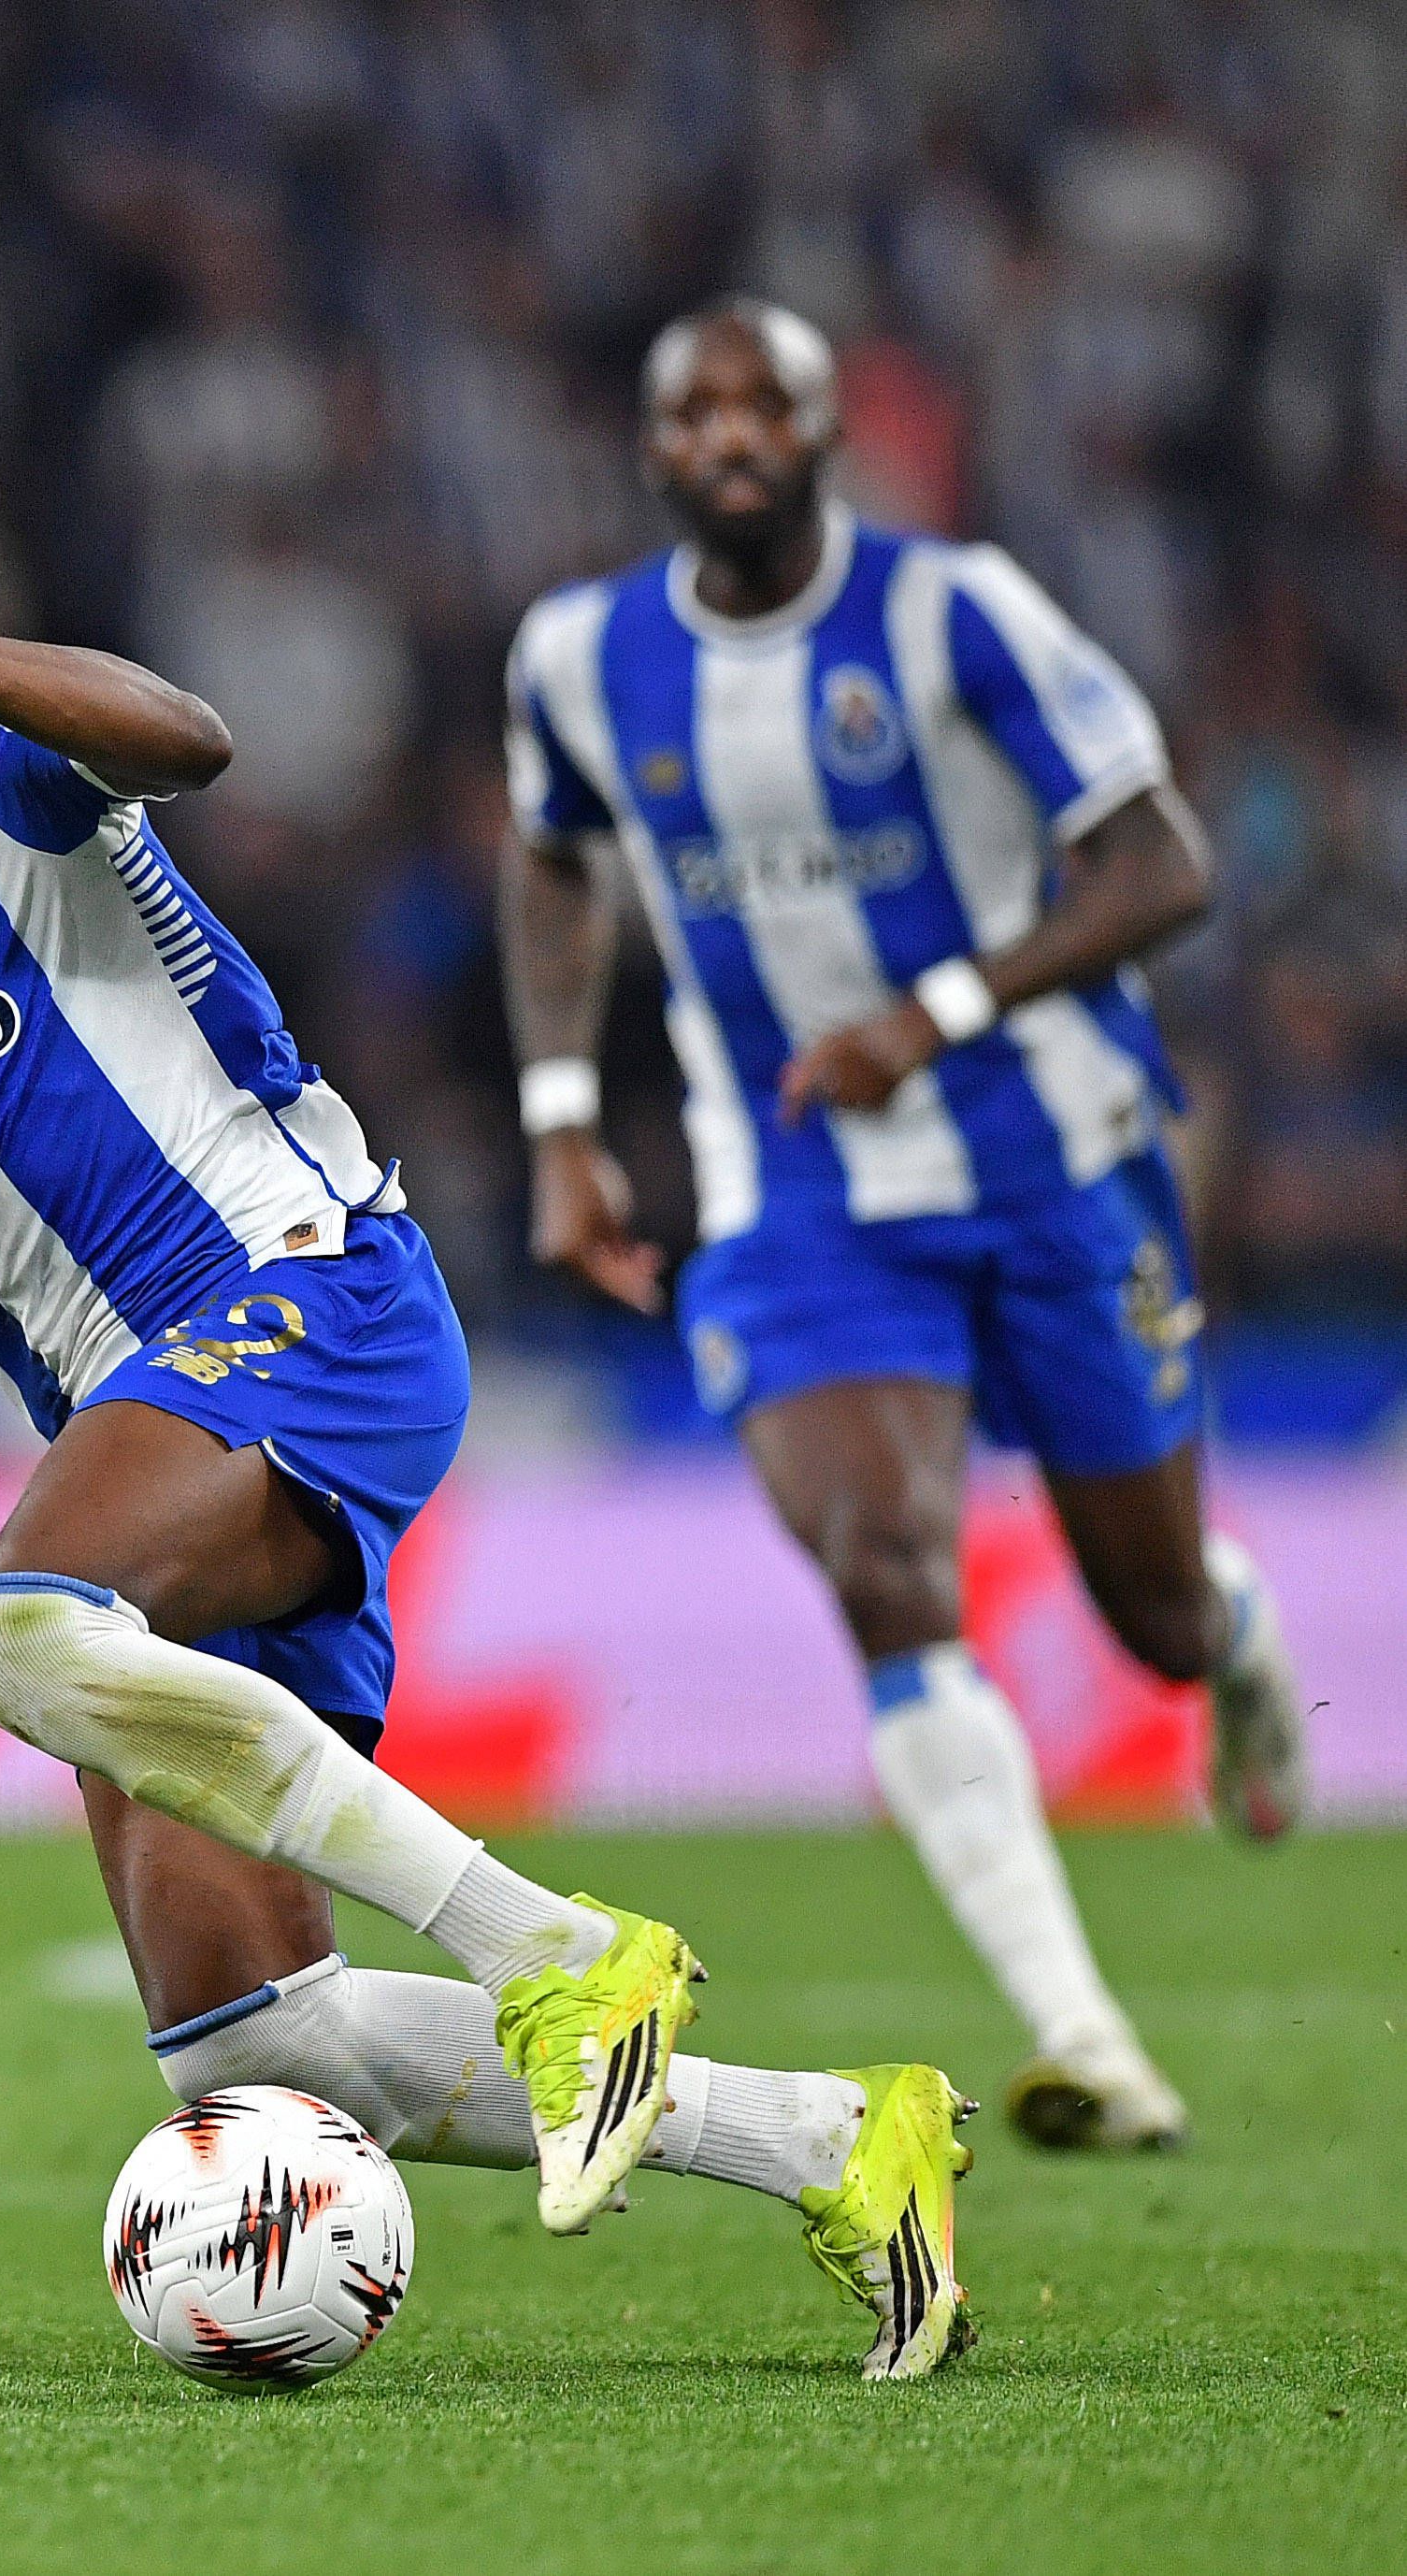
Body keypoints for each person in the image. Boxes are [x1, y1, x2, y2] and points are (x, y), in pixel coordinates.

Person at [0, 473, 981, 2382]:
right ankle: (834, 2143)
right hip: (140, 1425)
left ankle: (553, 1953)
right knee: (255, 2040)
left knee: (10, 1635)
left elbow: (187, 741)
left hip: (303, 1286)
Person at [497, 299, 1309, 2151]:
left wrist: (933, 1013)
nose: (725, 435)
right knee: (884, 1562)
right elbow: (548, 854)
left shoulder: (957, 614)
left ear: (822, 433)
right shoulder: (577, 656)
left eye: (760, 405)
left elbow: (1162, 859)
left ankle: (1233, 1626)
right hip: (796, 1191)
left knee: (1154, 1616)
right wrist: (560, 1123)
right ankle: (1084, 2036)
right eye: (688, 411)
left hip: (1048, 1159)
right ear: (650, 451)